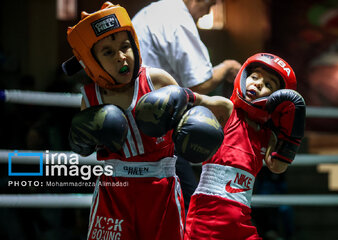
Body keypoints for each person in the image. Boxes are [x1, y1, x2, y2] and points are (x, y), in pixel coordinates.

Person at [64, 2, 228, 239]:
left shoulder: (156, 80)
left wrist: (217, 108)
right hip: (114, 192)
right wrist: (80, 139)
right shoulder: (90, 98)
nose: (121, 57)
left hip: (160, 189)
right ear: (92, 60)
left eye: (125, 46)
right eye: (108, 52)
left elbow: (205, 103)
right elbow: (83, 145)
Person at [132, 0, 242, 213]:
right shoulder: (177, 17)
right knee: (189, 207)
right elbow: (198, 82)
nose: (208, 12)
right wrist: (228, 67)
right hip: (158, 129)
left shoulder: (154, 11)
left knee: (153, 208)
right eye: (208, 5)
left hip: (137, 126)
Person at [184, 53, 306, 240]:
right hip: (207, 216)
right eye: (255, 77)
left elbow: (278, 166)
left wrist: (291, 135)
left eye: (268, 85)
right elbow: (196, 99)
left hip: (241, 219)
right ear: (243, 76)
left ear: (278, 98)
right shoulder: (227, 110)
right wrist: (173, 94)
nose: (257, 84)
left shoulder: (267, 135)